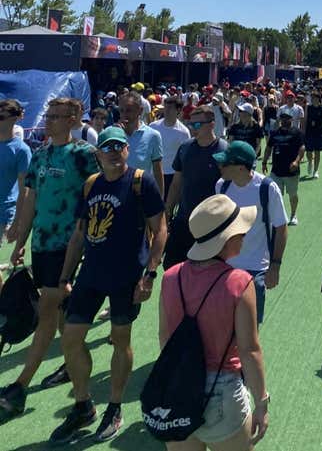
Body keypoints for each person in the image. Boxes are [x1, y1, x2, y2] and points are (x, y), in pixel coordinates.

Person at [49, 127, 166, 444]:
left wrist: (150, 273)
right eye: (107, 147)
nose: (114, 151)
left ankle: (114, 406)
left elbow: (161, 229)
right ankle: (83, 404)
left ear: (127, 150)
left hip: (127, 275)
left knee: (119, 338)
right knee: (71, 339)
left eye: (119, 146)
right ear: (98, 154)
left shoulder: (142, 182)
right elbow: (78, 235)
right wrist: (65, 277)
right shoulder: (91, 185)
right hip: (91, 273)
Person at [0, 98, 100, 422]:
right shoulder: (40, 154)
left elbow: (95, 199)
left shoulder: (83, 155)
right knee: (62, 321)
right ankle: (74, 373)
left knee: (47, 314)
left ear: (73, 120)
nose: (51, 121)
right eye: (49, 116)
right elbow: (31, 200)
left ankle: (18, 386)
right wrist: (22, 240)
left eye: (58, 117)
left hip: (67, 247)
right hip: (42, 246)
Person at [160, 195, 269, 450]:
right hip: (223, 391)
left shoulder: (170, 277)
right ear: (227, 239)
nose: (244, 235)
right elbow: (249, 350)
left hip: (177, 388)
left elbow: (165, 337)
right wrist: (262, 403)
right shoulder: (239, 282)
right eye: (240, 231)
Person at [214, 141, 288, 325]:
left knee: (250, 331)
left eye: (225, 163)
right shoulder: (221, 186)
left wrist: (275, 266)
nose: (219, 166)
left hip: (255, 271)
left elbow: (281, 227)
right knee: (223, 326)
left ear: (240, 167)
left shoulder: (267, 188)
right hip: (224, 268)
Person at [164, 106, 228, 269]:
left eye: (197, 125)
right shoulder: (185, 148)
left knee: (206, 271)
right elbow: (176, 183)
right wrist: (168, 211)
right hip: (184, 220)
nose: (192, 129)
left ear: (212, 124)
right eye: (190, 124)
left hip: (211, 225)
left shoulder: (224, 150)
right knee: (171, 266)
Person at [0, 99, 31, 258]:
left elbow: (24, 190)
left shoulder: (22, 150)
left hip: (4, 214)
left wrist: (17, 223)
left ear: (14, 119)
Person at [118, 92, 165, 196]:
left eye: (129, 110)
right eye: (121, 110)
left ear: (140, 110)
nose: (124, 114)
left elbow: (158, 171)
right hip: (115, 194)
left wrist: (160, 201)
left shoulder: (153, 136)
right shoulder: (111, 133)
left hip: (140, 195)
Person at [263, 112, 305, 226]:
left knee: (292, 195)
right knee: (275, 194)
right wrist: (264, 162)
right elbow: (268, 147)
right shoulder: (275, 133)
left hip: (291, 171)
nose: (284, 121)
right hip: (276, 170)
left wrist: (297, 161)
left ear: (291, 120)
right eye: (282, 119)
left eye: (287, 119)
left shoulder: (297, 133)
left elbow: (302, 148)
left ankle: (293, 215)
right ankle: (278, 216)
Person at [150, 95, 191, 202]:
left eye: (170, 108)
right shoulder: (153, 127)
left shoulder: (183, 132)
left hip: (171, 175)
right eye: (165, 107)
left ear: (178, 110)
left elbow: (185, 156)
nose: (166, 110)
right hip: (153, 172)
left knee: (167, 205)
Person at [303, 88, 322, 179]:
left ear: (319, 99)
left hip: (319, 132)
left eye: (316, 98)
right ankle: (310, 162)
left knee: (317, 152)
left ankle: (316, 170)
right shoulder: (308, 107)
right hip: (309, 132)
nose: (314, 99)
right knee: (308, 152)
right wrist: (303, 132)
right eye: (312, 98)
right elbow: (305, 120)